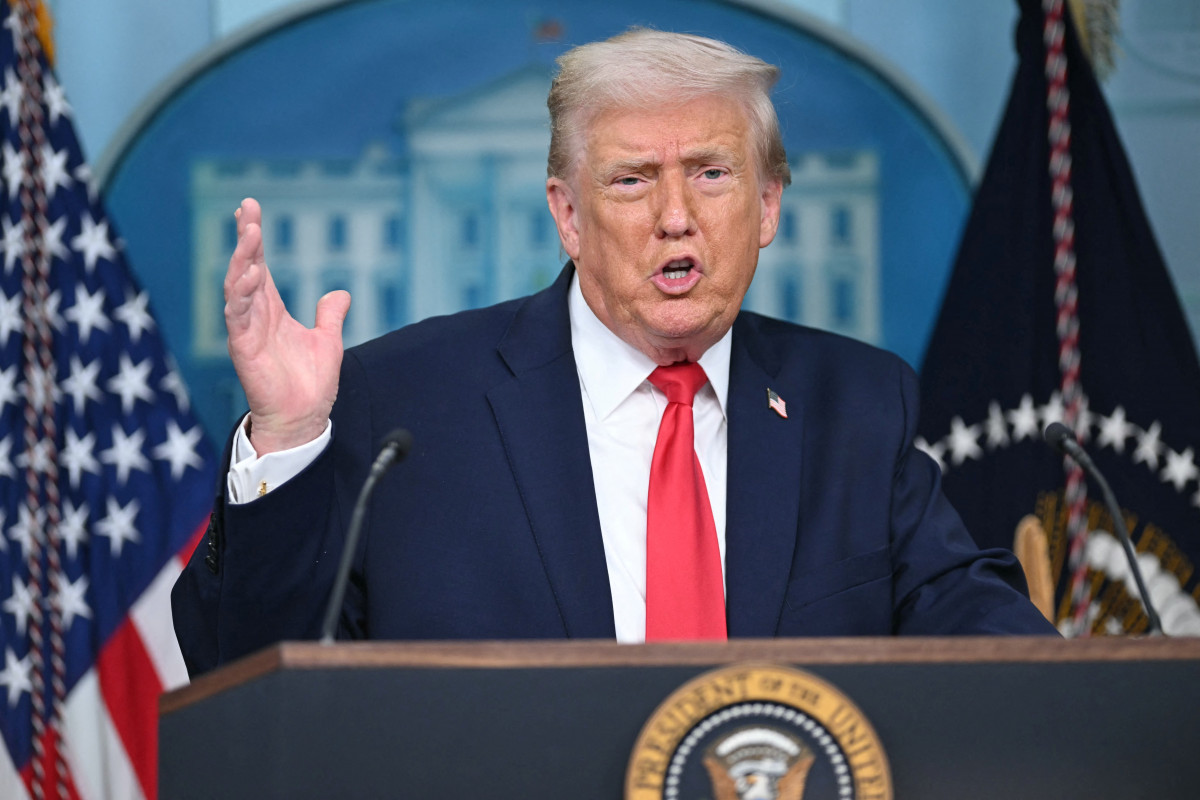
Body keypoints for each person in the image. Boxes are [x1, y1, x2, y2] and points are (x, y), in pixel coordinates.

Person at [172, 29, 1057, 677]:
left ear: (770, 205)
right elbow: (240, 667)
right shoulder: (401, 402)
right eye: (633, 179)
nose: (677, 215)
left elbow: (978, 634)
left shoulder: (857, 403)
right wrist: (286, 437)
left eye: (711, 172)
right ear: (567, 215)